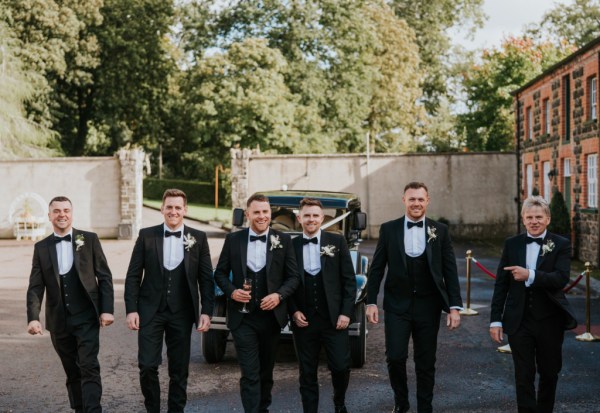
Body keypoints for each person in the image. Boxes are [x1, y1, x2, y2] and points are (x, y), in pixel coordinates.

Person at [366, 182, 463, 413]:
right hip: (397, 306)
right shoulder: (388, 229)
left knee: (426, 362)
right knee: (396, 357)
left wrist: (454, 307)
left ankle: (424, 408)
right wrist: (370, 301)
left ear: (427, 201)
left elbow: (450, 270)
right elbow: (377, 267)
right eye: (412, 199)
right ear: (404, 201)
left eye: (420, 199)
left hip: (428, 307)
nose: (416, 203)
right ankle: (401, 403)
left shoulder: (440, 230)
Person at [124, 188, 214, 413]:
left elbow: (206, 278)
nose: (173, 211)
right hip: (149, 310)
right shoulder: (147, 235)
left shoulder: (198, 238)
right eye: (169, 207)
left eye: (178, 207)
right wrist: (131, 309)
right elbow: (134, 275)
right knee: (146, 365)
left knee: (179, 368)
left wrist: (206, 311)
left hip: (182, 312)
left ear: (185, 210)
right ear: (162, 209)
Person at [26, 196, 114, 412]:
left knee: (89, 366)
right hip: (58, 321)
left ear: (72, 213)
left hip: (86, 317)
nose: (62, 214)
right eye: (57, 211)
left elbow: (104, 276)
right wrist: (33, 317)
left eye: (66, 210)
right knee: (72, 371)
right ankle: (79, 409)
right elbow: (36, 286)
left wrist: (106, 310)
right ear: (49, 216)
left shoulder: (89, 239)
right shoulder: (41, 247)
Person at [490, 196, 577, 413]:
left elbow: (560, 278)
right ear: (523, 219)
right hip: (519, 321)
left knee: (549, 372)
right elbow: (501, 285)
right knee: (523, 374)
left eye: (539, 217)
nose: (534, 221)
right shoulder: (512, 244)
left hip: (550, 319)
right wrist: (495, 320)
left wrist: (530, 274)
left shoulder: (561, 244)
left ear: (547, 219)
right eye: (529, 217)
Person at [214, 193, 299, 413]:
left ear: (270, 214)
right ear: (248, 214)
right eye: (257, 212)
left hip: (271, 319)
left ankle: (263, 409)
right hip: (243, 319)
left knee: (265, 372)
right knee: (250, 373)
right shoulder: (234, 240)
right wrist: (232, 292)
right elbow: (220, 273)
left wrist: (278, 296)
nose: (261, 216)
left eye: (265, 212)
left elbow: (293, 277)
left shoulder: (284, 240)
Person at [289, 198, 356, 413]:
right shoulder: (290, 246)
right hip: (304, 320)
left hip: (333, 319)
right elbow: (283, 284)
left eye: (315, 215)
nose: (311, 219)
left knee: (340, 366)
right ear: (299, 218)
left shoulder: (337, 242)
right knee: (306, 371)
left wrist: (346, 313)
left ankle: (339, 401)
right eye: (306, 215)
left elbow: (349, 281)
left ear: (322, 218)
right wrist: (294, 310)